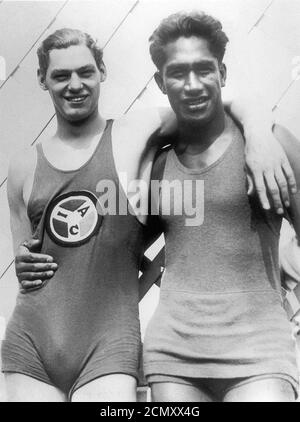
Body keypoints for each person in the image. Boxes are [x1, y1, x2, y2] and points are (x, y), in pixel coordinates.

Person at [5, 27, 296, 402]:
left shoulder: (137, 132)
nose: (74, 85)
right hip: (31, 343)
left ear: (102, 72)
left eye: (85, 72)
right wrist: (22, 262)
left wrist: (259, 132)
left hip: (109, 347)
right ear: (43, 79)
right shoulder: (23, 165)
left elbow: (210, 104)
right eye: (61, 75)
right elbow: (24, 262)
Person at [142, 11, 300, 402]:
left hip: (260, 353)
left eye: (204, 69)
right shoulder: (157, 166)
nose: (192, 84)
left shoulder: (272, 145)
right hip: (173, 359)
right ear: (161, 82)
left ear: (223, 73)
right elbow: (116, 250)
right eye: (178, 73)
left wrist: (259, 130)